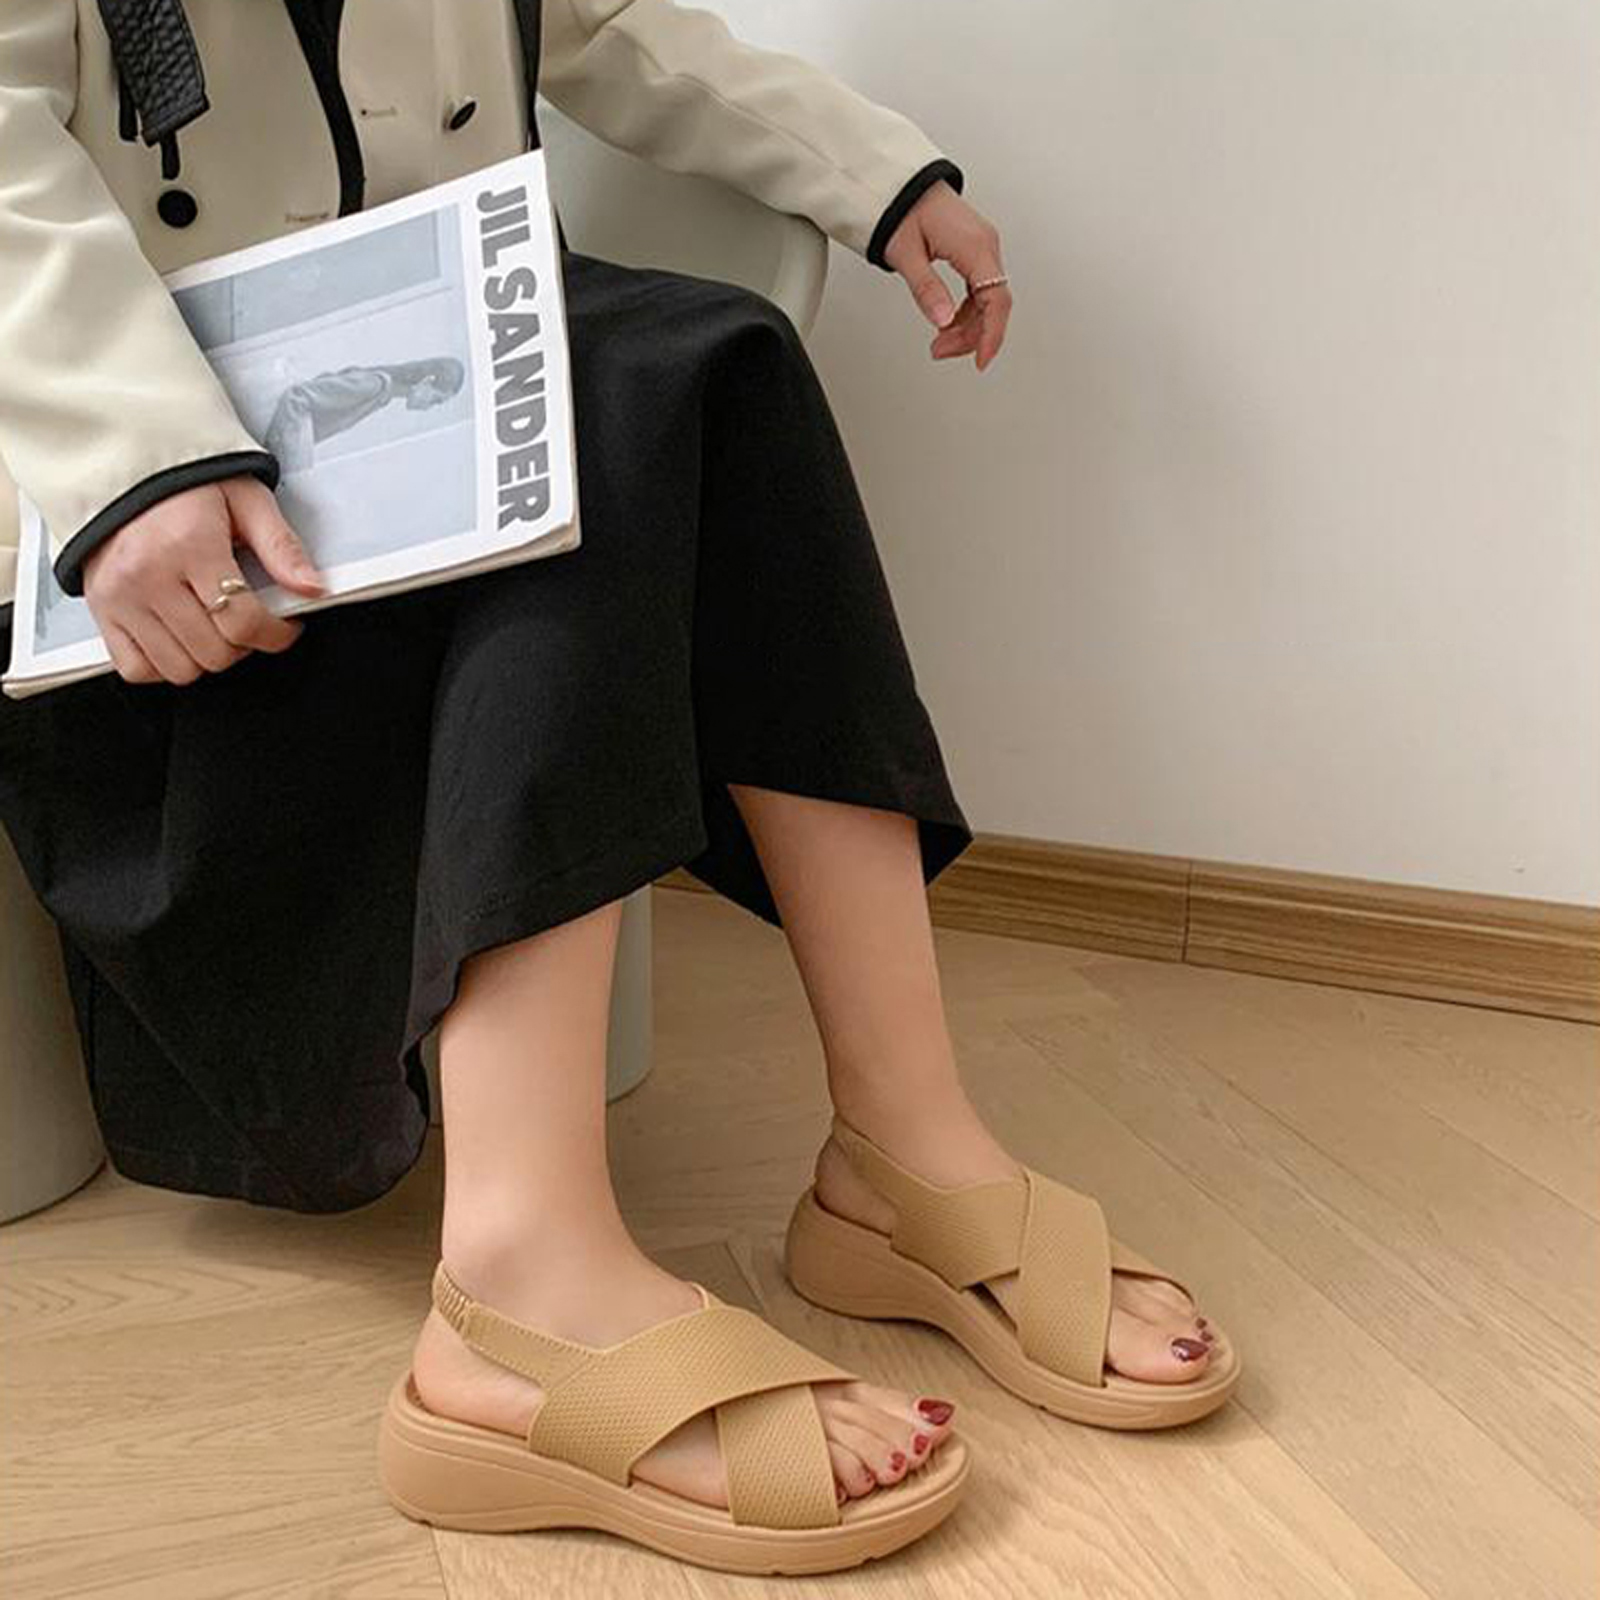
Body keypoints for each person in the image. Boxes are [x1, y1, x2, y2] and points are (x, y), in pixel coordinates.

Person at [0, 0, 1236, 1575]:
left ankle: (908, 1146)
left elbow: (607, 23)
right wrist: (134, 460)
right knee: (606, 392)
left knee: (705, 360)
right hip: (154, 539)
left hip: (417, 399)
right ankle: (522, 1276)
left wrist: (876, 176)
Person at [262, 358, 467, 474]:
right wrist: (299, 472)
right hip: (271, 438)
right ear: (427, 380)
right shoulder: (373, 386)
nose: (431, 407)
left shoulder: (381, 394)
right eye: (436, 400)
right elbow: (297, 397)